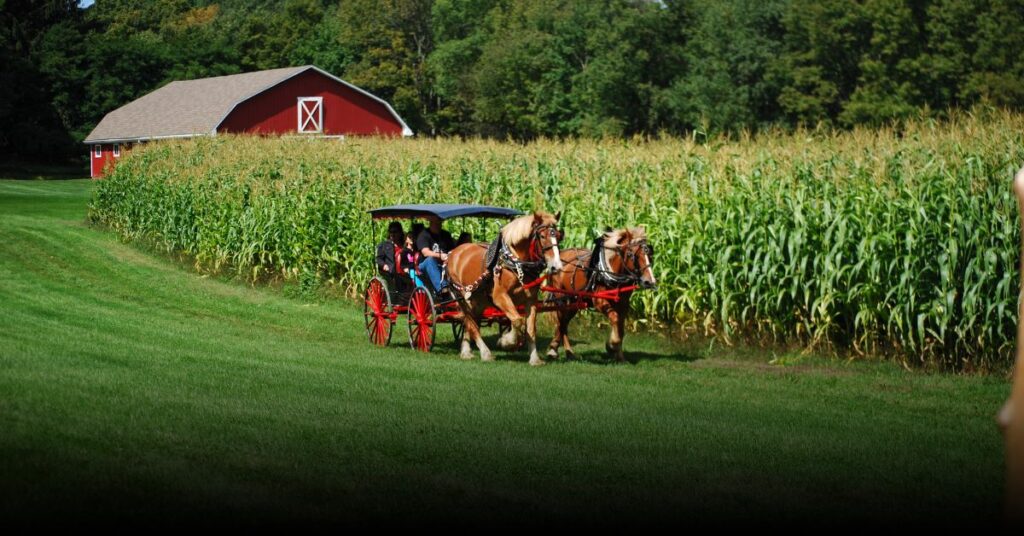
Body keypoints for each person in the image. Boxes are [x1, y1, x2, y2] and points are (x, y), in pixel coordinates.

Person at [417, 215, 455, 293]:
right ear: (431, 223)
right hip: (425, 264)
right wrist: (440, 255)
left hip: (444, 263)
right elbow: (425, 252)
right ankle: (442, 287)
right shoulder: (423, 235)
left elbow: (452, 249)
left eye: (440, 222)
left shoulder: (446, 235)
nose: (439, 224)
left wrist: (450, 254)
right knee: (430, 260)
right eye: (437, 222)